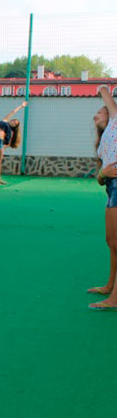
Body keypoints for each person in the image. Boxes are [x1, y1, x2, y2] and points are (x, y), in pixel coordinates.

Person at [88, 85, 117, 309]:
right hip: (110, 187)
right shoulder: (104, 141)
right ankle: (110, 286)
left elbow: (106, 96)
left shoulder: (116, 124)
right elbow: (100, 179)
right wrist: (102, 173)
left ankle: (115, 298)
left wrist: (103, 88)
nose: (95, 115)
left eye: (101, 111)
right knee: (112, 242)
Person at [0, 101, 27, 186]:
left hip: (1, 143)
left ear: (15, 127)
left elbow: (9, 142)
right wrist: (21, 106)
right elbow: (13, 112)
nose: (13, 122)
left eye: (15, 123)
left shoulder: (11, 131)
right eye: (13, 121)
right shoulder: (4, 121)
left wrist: (4, 147)